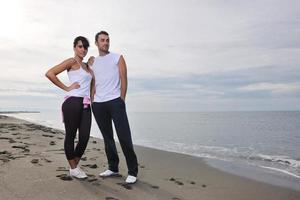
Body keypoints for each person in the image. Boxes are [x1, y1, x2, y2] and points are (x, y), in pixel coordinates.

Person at [89, 31, 138, 184]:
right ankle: (113, 168)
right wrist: (92, 101)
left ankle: (132, 171)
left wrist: (121, 99)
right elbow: (91, 82)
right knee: (107, 138)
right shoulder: (92, 62)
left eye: (108, 40)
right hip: (98, 104)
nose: (106, 42)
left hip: (115, 101)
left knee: (124, 137)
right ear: (96, 43)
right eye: (102, 40)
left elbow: (124, 79)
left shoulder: (118, 57)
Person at [45, 36, 94, 179]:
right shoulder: (71, 62)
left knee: (84, 137)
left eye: (85, 47)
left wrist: (91, 62)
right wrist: (66, 88)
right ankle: (74, 167)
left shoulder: (87, 66)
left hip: (86, 104)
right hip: (72, 102)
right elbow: (50, 73)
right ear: (74, 48)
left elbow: (92, 83)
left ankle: (74, 167)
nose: (83, 49)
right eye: (80, 46)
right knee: (71, 136)